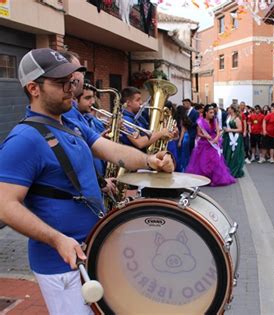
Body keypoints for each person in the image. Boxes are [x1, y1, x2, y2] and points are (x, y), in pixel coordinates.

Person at [0, 48, 175, 315]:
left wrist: (151, 161)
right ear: (34, 88)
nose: (71, 89)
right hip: (62, 266)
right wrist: (57, 239)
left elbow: (114, 151)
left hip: (93, 252)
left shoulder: (72, 125)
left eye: (71, 81)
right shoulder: (24, 139)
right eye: (61, 83)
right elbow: (5, 205)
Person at [186, 105, 235, 186]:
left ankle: (213, 178)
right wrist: (205, 136)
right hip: (204, 144)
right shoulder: (200, 121)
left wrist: (216, 137)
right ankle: (204, 179)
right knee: (203, 161)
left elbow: (219, 131)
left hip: (213, 142)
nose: (212, 114)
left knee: (215, 161)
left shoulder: (215, 121)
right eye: (211, 113)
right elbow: (198, 133)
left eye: (213, 113)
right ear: (206, 113)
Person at [223, 105, 245, 178]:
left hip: (236, 138)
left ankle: (234, 169)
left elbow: (240, 129)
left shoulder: (237, 118)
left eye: (229, 108)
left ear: (232, 109)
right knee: (228, 152)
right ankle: (228, 168)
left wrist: (230, 130)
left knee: (235, 153)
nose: (228, 109)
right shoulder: (228, 117)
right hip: (228, 137)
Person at [175, 105, 191, 172]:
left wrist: (179, 141)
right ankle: (185, 167)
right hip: (187, 136)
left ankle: (183, 169)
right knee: (186, 154)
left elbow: (182, 131)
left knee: (182, 154)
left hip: (183, 137)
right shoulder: (185, 118)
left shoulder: (181, 119)